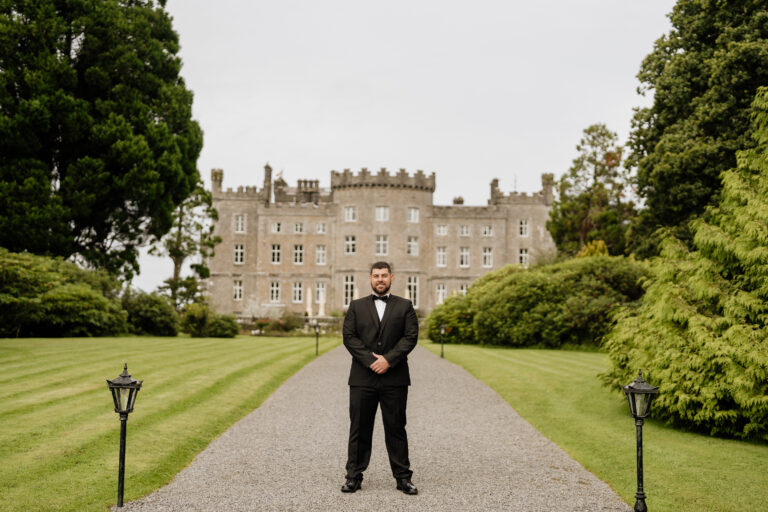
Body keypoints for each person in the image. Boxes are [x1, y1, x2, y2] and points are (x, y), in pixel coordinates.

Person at [341, 261, 419, 495]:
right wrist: (371, 360)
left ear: (392, 278)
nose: (380, 279)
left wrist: (389, 360)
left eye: (384, 275)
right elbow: (349, 337)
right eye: (376, 276)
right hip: (362, 378)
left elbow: (410, 337)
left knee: (396, 428)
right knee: (359, 428)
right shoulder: (356, 306)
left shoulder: (405, 306)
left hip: (395, 378)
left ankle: (403, 478)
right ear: (370, 279)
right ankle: (353, 477)